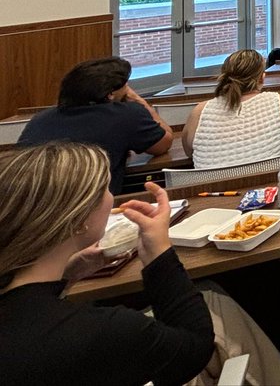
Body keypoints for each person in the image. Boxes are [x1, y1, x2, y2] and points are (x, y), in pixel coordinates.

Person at [0, 143, 215, 385]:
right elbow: (194, 349)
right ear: (79, 218)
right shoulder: (106, 331)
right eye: (105, 188)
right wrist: (160, 254)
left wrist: (69, 274)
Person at [18, 57, 172, 189]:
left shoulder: (40, 119)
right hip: (90, 209)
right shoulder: (126, 114)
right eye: (125, 84)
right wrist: (140, 102)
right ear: (110, 93)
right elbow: (164, 142)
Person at [183, 49, 280, 168]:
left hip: (209, 201)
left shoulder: (199, 112)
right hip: (270, 197)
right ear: (262, 77)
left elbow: (191, 153)